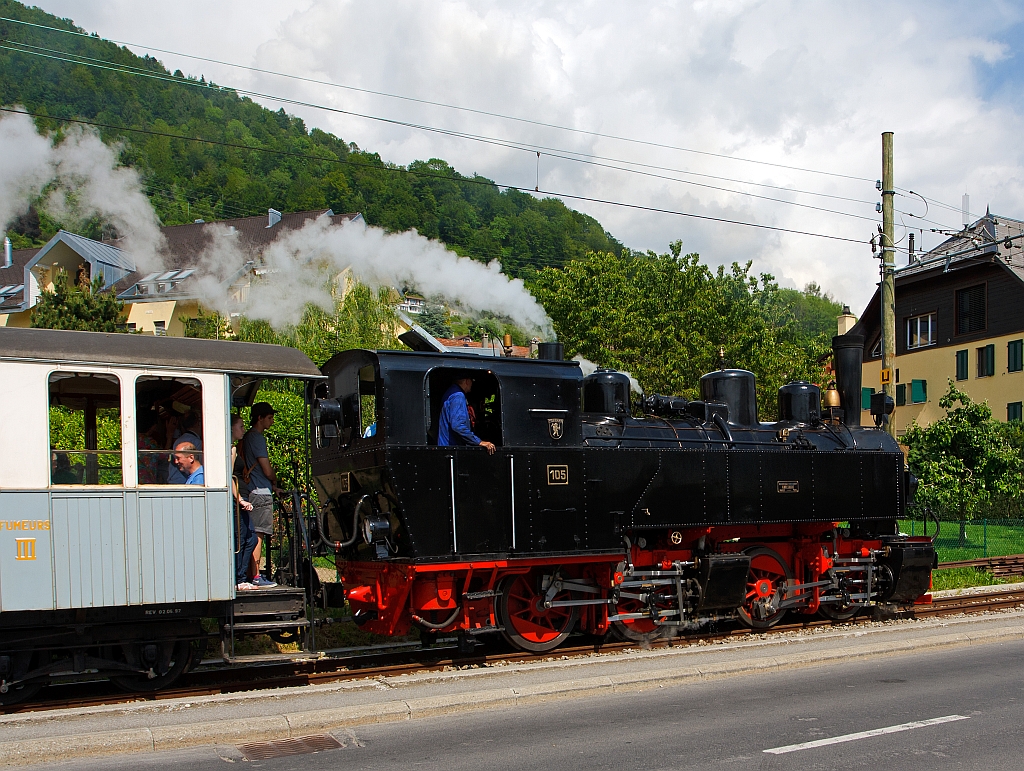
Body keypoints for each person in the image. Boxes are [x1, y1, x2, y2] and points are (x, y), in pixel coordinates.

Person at [240, 402, 279, 588]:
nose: (271, 422)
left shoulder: (247, 437)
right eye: (269, 418)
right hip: (261, 492)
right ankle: (256, 576)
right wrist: (274, 478)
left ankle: (251, 573)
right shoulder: (257, 438)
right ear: (260, 418)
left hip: (252, 489)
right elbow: (266, 468)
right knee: (259, 534)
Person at [230, 414, 259, 592]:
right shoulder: (230, 449)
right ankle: (238, 578)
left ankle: (240, 576)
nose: (243, 429)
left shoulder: (233, 447)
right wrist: (239, 499)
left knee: (251, 538)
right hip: (237, 502)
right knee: (242, 538)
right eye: (240, 426)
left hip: (241, 499)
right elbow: (229, 476)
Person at [438, 377, 496, 453]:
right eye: (472, 381)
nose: (472, 384)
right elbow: (458, 426)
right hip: (452, 448)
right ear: (467, 381)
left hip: (446, 446)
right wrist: (479, 442)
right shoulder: (458, 395)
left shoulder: (450, 392)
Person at [167, 409, 202, 484]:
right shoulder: (197, 442)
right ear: (197, 423)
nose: (176, 461)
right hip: (182, 482)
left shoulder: (178, 440)